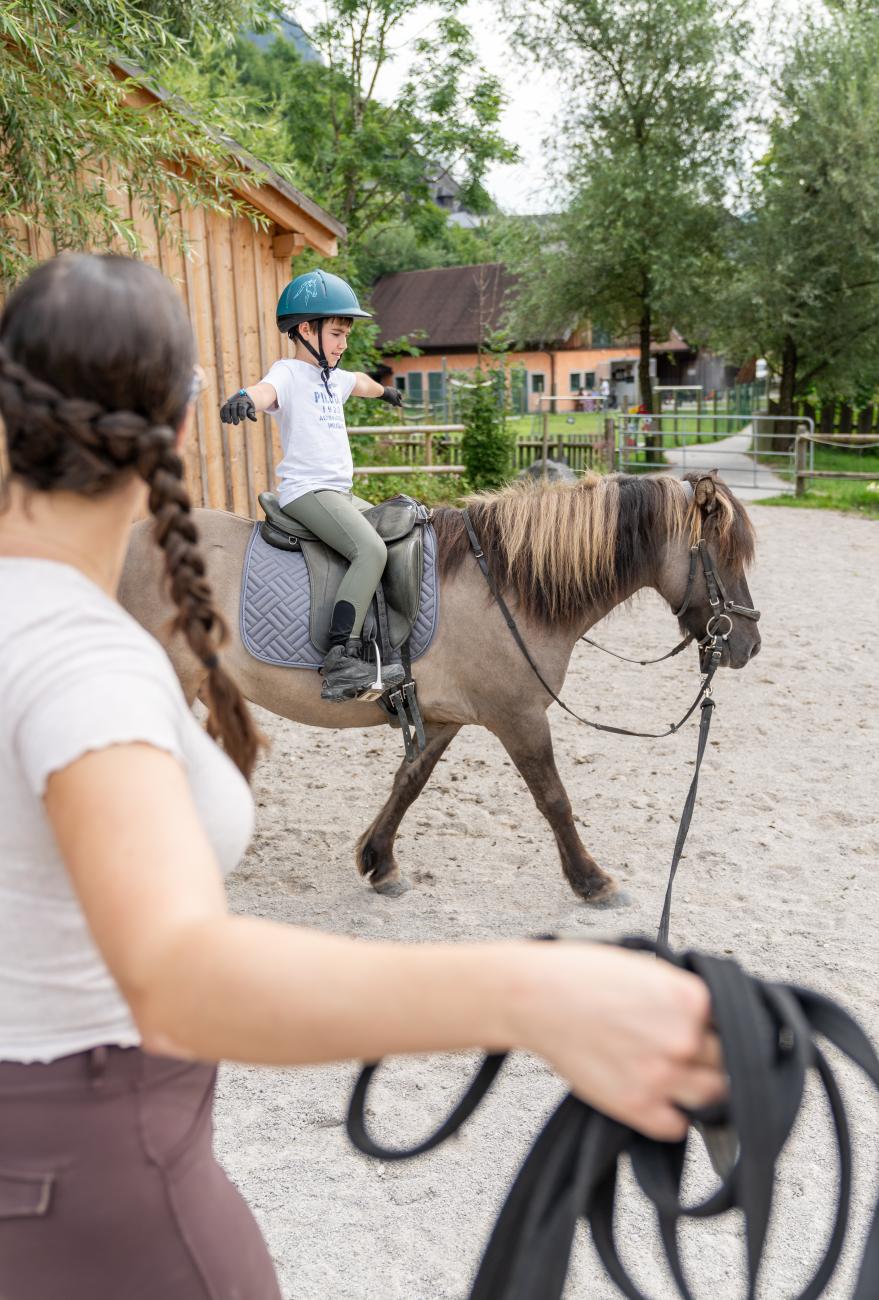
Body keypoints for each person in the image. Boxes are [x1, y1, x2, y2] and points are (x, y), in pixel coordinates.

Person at [0, 253, 726, 1300]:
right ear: (177, 428)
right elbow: (180, 976)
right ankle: (350, 653)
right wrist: (537, 994)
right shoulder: (85, 666)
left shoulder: (46, 625)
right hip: (100, 1180)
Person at [219, 268, 406, 702]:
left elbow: (360, 382)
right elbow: (266, 391)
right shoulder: (289, 372)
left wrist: (384, 393)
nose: (343, 344)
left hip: (339, 494)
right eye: (336, 334)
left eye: (346, 336)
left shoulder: (334, 378)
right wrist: (245, 397)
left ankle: (384, 645)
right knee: (370, 550)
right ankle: (342, 656)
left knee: (400, 531)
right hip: (307, 492)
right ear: (306, 330)